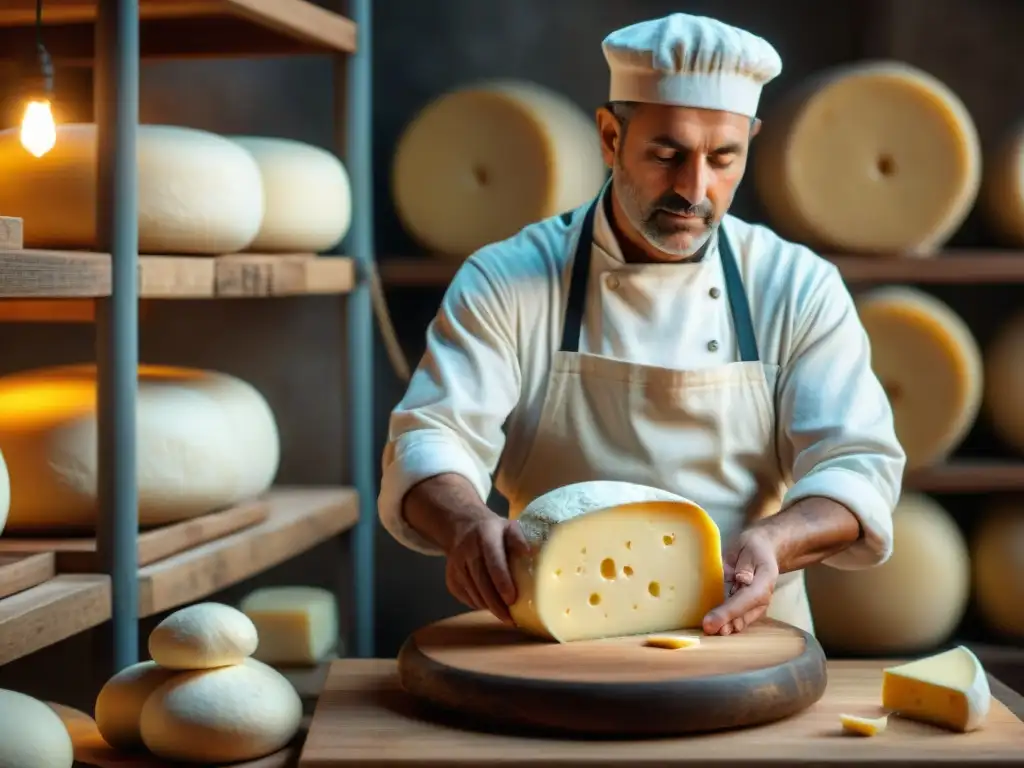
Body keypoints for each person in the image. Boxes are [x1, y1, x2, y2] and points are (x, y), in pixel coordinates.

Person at [377, 12, 906, 637]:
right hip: (556, 641)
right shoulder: (506, 280)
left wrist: (778, 540)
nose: (694, 188)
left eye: (723, 159)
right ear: (609, 137)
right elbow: (434, 437)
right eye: (666, 154)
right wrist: (466, 523)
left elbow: (856, 463)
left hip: (748, 640)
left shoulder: (796, 286)